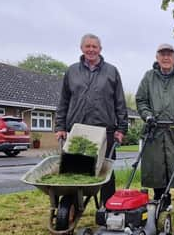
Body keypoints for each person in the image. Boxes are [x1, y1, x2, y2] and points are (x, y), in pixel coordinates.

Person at [55, 33, 128, 205]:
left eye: (94, 46)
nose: (91, 50)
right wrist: (60, 126)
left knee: (105, 171)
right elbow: (63, 101)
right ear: (82, 49)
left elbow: (120, 102)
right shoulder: (72, 71)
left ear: (100, 49)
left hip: (105, 130)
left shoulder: (111, 71)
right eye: (87, 46)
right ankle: (71, 206)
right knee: (74, 169)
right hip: (78, 129)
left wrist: (121, 129)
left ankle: (108, 208)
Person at [136, 43, 174, 210]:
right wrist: (147, 116)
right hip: (155, 132)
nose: (166, 57)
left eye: (169, 54)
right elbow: (141, 100)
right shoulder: (148, 77)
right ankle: (161, 203)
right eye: (162, 54)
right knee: (157, 171)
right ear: (157, 57)